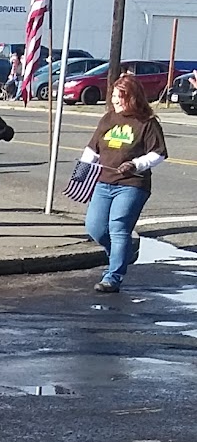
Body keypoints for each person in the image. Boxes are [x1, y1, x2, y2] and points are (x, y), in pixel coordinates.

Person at [79, 73, 167, 293]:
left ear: (133, 97)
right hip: (104, 182)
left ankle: (113, 277)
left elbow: (158, 153)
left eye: (121, 96)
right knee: (95, 227)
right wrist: (81, 171)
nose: (115, 100)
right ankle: (122, 254)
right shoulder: (108, 119)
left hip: (132, 184)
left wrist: (135, 164)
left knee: (118, 227)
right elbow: (92, 149)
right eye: (114, 96)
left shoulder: (147, 123)